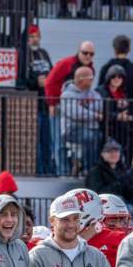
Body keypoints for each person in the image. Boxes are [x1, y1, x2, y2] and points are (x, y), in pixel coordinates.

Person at [45, 41, 95, 176]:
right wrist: (52, 103)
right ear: (79, 52)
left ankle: (82, 169)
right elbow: (49, 82)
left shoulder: (90, 69)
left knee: (88, 138)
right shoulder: (66, 64)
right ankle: (63, 171)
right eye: (85, 53)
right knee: (58, 141)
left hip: (78, 112)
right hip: (59, 108)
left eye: (91, 54)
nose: (88, 56)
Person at [19, 25, 53, 175]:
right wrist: (35, 82)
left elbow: (52, 73)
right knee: (36, 143)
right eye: (31, 37)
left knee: (47, 142)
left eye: (36, 36)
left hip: (46, 103)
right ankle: (38, 171)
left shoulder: (44, 53)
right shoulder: (22, 55)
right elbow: (20, 80)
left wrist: (48, 81)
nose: (34, 39)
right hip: (32, 105)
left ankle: (47, 170)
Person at [60, 66, 103, 175]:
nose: (93, 81)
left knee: (102, 138)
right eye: (90, 78)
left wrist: (84, 107)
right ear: (81, 79)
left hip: (91, 128)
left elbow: (100, 105)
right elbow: (75, 113)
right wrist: (94, 115)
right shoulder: (67, 94)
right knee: (90, 137)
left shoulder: (92, 93)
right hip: (71, 130)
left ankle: (86, 165)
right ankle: (88, 169)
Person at [96, 65, 133, 163]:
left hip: (123, 128)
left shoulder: (123, 93)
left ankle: (128, 168)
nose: (117, 79)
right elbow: (100, 113)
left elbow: (128, 110)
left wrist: (130, 115)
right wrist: (118, 116)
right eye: (114, 76)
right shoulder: (100, 92)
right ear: (108, 78)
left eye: (120, 77)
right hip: (107, 128)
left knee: (131, 143)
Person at [97, 35, 133, 114]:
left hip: (109, 113)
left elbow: (99, 92)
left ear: (114, 49)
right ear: (129, 49)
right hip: (128, 112)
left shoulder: (105, 68)